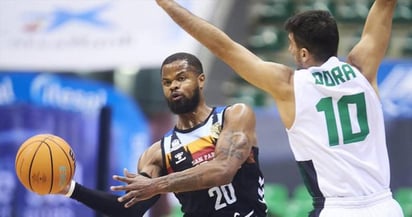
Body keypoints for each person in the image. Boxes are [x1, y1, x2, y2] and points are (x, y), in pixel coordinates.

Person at [152, 0, 404, 217]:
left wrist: (168, 5)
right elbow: (385, 5)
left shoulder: (290, 85)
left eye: (292, 45)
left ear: (303, 54)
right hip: (386, 205)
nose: (290, 50)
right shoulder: (362, 70)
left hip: (338, 208)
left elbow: (223, 46)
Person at [59, 52, 267, 217]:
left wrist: (155, 185)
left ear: (201, 80)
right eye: (166, 82)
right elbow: (129, 210)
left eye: (181, 78)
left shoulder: (234, 115)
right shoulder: (157, 153)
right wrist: (72, 189)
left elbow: (223, 170)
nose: (173, 86)